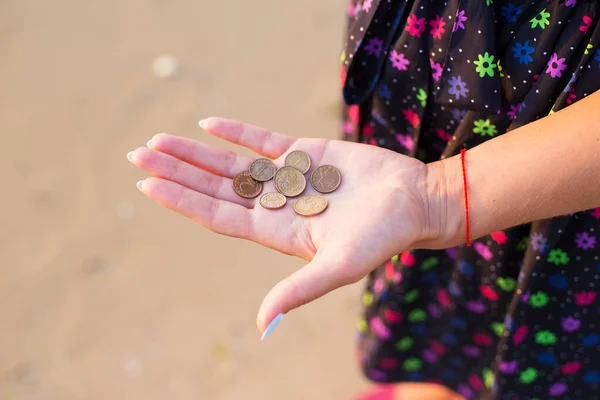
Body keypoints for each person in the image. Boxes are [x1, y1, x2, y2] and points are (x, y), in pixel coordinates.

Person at [127, 0, 600, 398]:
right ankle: (440, 384)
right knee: (439, 293)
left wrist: (438, 198)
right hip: (421, 57)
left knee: (536, 328)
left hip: (564, 152)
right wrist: (428, 197)